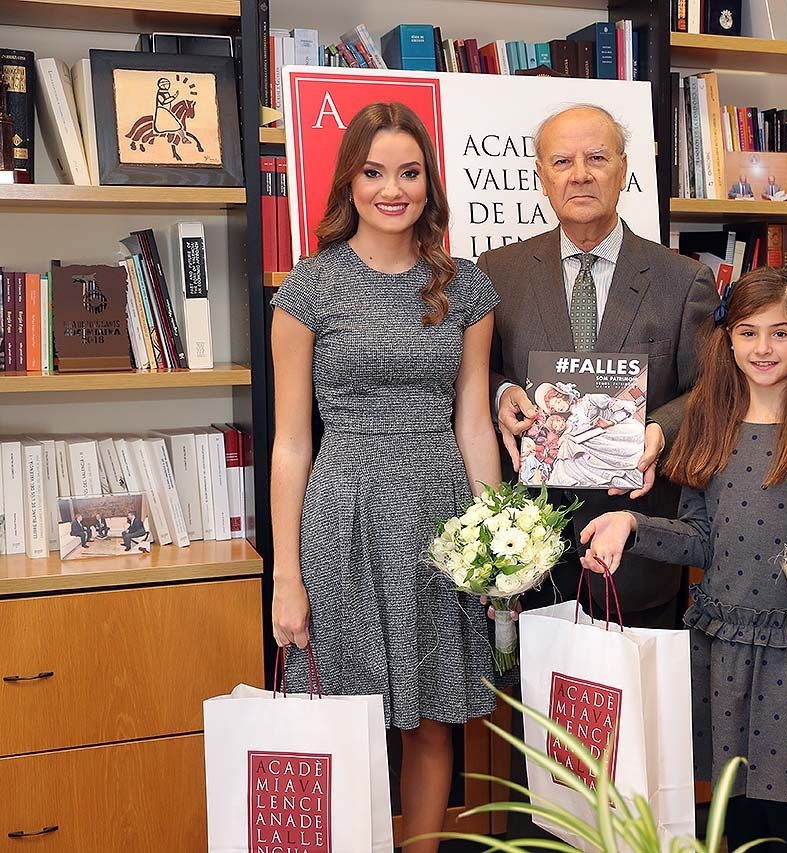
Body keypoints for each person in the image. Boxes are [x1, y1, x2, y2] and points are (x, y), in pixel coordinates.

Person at [268, 102, 501, 853]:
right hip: (345, 516)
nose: (391, 189)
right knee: (350, 714)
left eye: (408, 172)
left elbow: (473, 420)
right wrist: (287, 577)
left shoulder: (465, 286)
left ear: (430, 184)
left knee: (435, 719)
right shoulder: (311, 287)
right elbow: (292, 444)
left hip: (441, 517)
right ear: (350, 181)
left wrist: (498, 538)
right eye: (374, 172)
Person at [578, 266, 787, 852]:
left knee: (784, 805)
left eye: (781, 332)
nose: (763, 348)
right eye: (748, 332)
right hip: (720, 644)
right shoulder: (709, 426)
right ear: (728, 338)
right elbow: (699, 539)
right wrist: (632, 523)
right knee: (730, 803)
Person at [478, 103, 718, 629]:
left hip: (636, 539)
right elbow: (474, 371)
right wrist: (501, 396)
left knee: (635, 704)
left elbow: (711, 391)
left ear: (624, 169)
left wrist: (661, 428)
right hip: (527, 543)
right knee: (535, 703)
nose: (580, 174)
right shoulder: (500, 272)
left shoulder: (682, 280)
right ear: (541, 176)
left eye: (597, 157)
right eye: (562, 161)